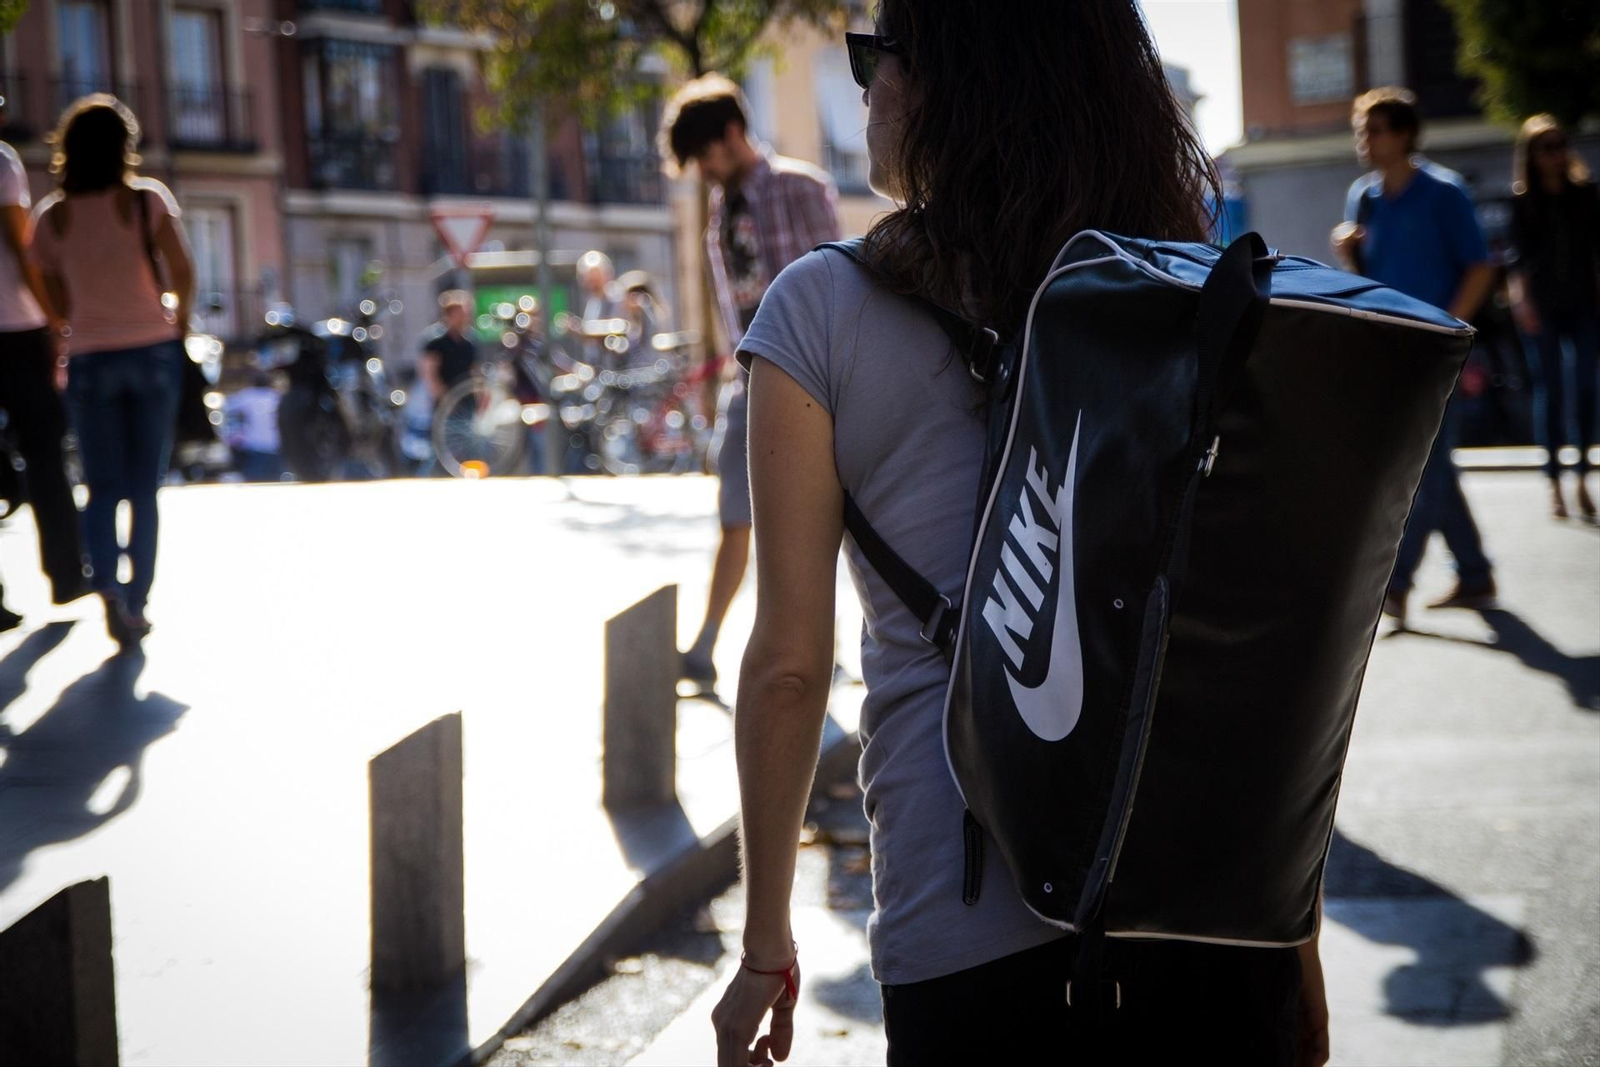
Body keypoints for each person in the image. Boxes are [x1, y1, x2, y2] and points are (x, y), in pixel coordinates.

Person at [711, 5, 1327, 1065]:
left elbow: (785, 666)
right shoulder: (1188, 295)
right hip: (1211, 919)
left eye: (877, 55)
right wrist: (1293, 936)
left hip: (967, 942)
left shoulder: (818, 310)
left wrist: (766, 941)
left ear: (955, 81)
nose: (862, 87)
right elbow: (1255, 659)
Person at [659, 73, 841, 690]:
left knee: (817, 528)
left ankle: (824, 648)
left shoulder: (800, 186)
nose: (705, 171)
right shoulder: (719, 212)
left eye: (705, 155)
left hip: (815, 383)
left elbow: (837, 291)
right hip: (751, 383)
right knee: (735, 514)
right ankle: (705, 646)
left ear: (733, 134)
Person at [1331, 87, 1498, 623]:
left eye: (1374, 130)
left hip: (1437, 350)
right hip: (1387, 352)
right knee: (1430, 466)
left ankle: (1395, 585)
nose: (1365, 139)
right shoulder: (1364, 196)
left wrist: (1451, 331)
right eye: (1361, 129)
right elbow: (1367, 279)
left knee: (1421, 466)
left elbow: (1480, 266)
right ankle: (1474, 573)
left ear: (1403, 134)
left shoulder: (1444, 193)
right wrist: (1347, 253)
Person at [32, 95, 194, 647]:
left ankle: (103, 579)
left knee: (100, 487)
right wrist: (180, 321)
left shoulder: (53, 216)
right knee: (144, 487)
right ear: (125, 146)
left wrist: (75, 324)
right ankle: (136, 599)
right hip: (152, 349)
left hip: (90, 358)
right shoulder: (146, 202)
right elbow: (184, 271)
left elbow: (51, 295)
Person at [0, 101, 90, 608]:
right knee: (45, 453)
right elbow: (22, 246)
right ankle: (66, 572)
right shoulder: (2, 162)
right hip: (15, 325)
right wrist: (56, 320)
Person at [1507, 114, 1598, 520]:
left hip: (1584, 302)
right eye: (1545, 147)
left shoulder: (1585, 193)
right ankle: (1554, 482)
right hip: (1542, 305)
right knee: (1551, 392)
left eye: (1560, 144)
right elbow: (1516, 261)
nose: (1555, 154)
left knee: (1584, 389)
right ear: (1531, 154)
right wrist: (1521, 303)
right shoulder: (1523, 201)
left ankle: (1581, 477)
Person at [417, 290, 478, 404]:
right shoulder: (435, 342)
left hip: (467, 399)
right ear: (449, 315)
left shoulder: (469, 342)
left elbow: (474, 371)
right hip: (445, 403)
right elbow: (429, 374)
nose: (464, 318)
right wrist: (445, 398)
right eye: (460, 314)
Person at [224, 370, 284, 482]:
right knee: (275, 482)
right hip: (275, 447)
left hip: (255, 448)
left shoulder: (247, 395)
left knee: (255, 482)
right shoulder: (276, 397)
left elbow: (226, 406)